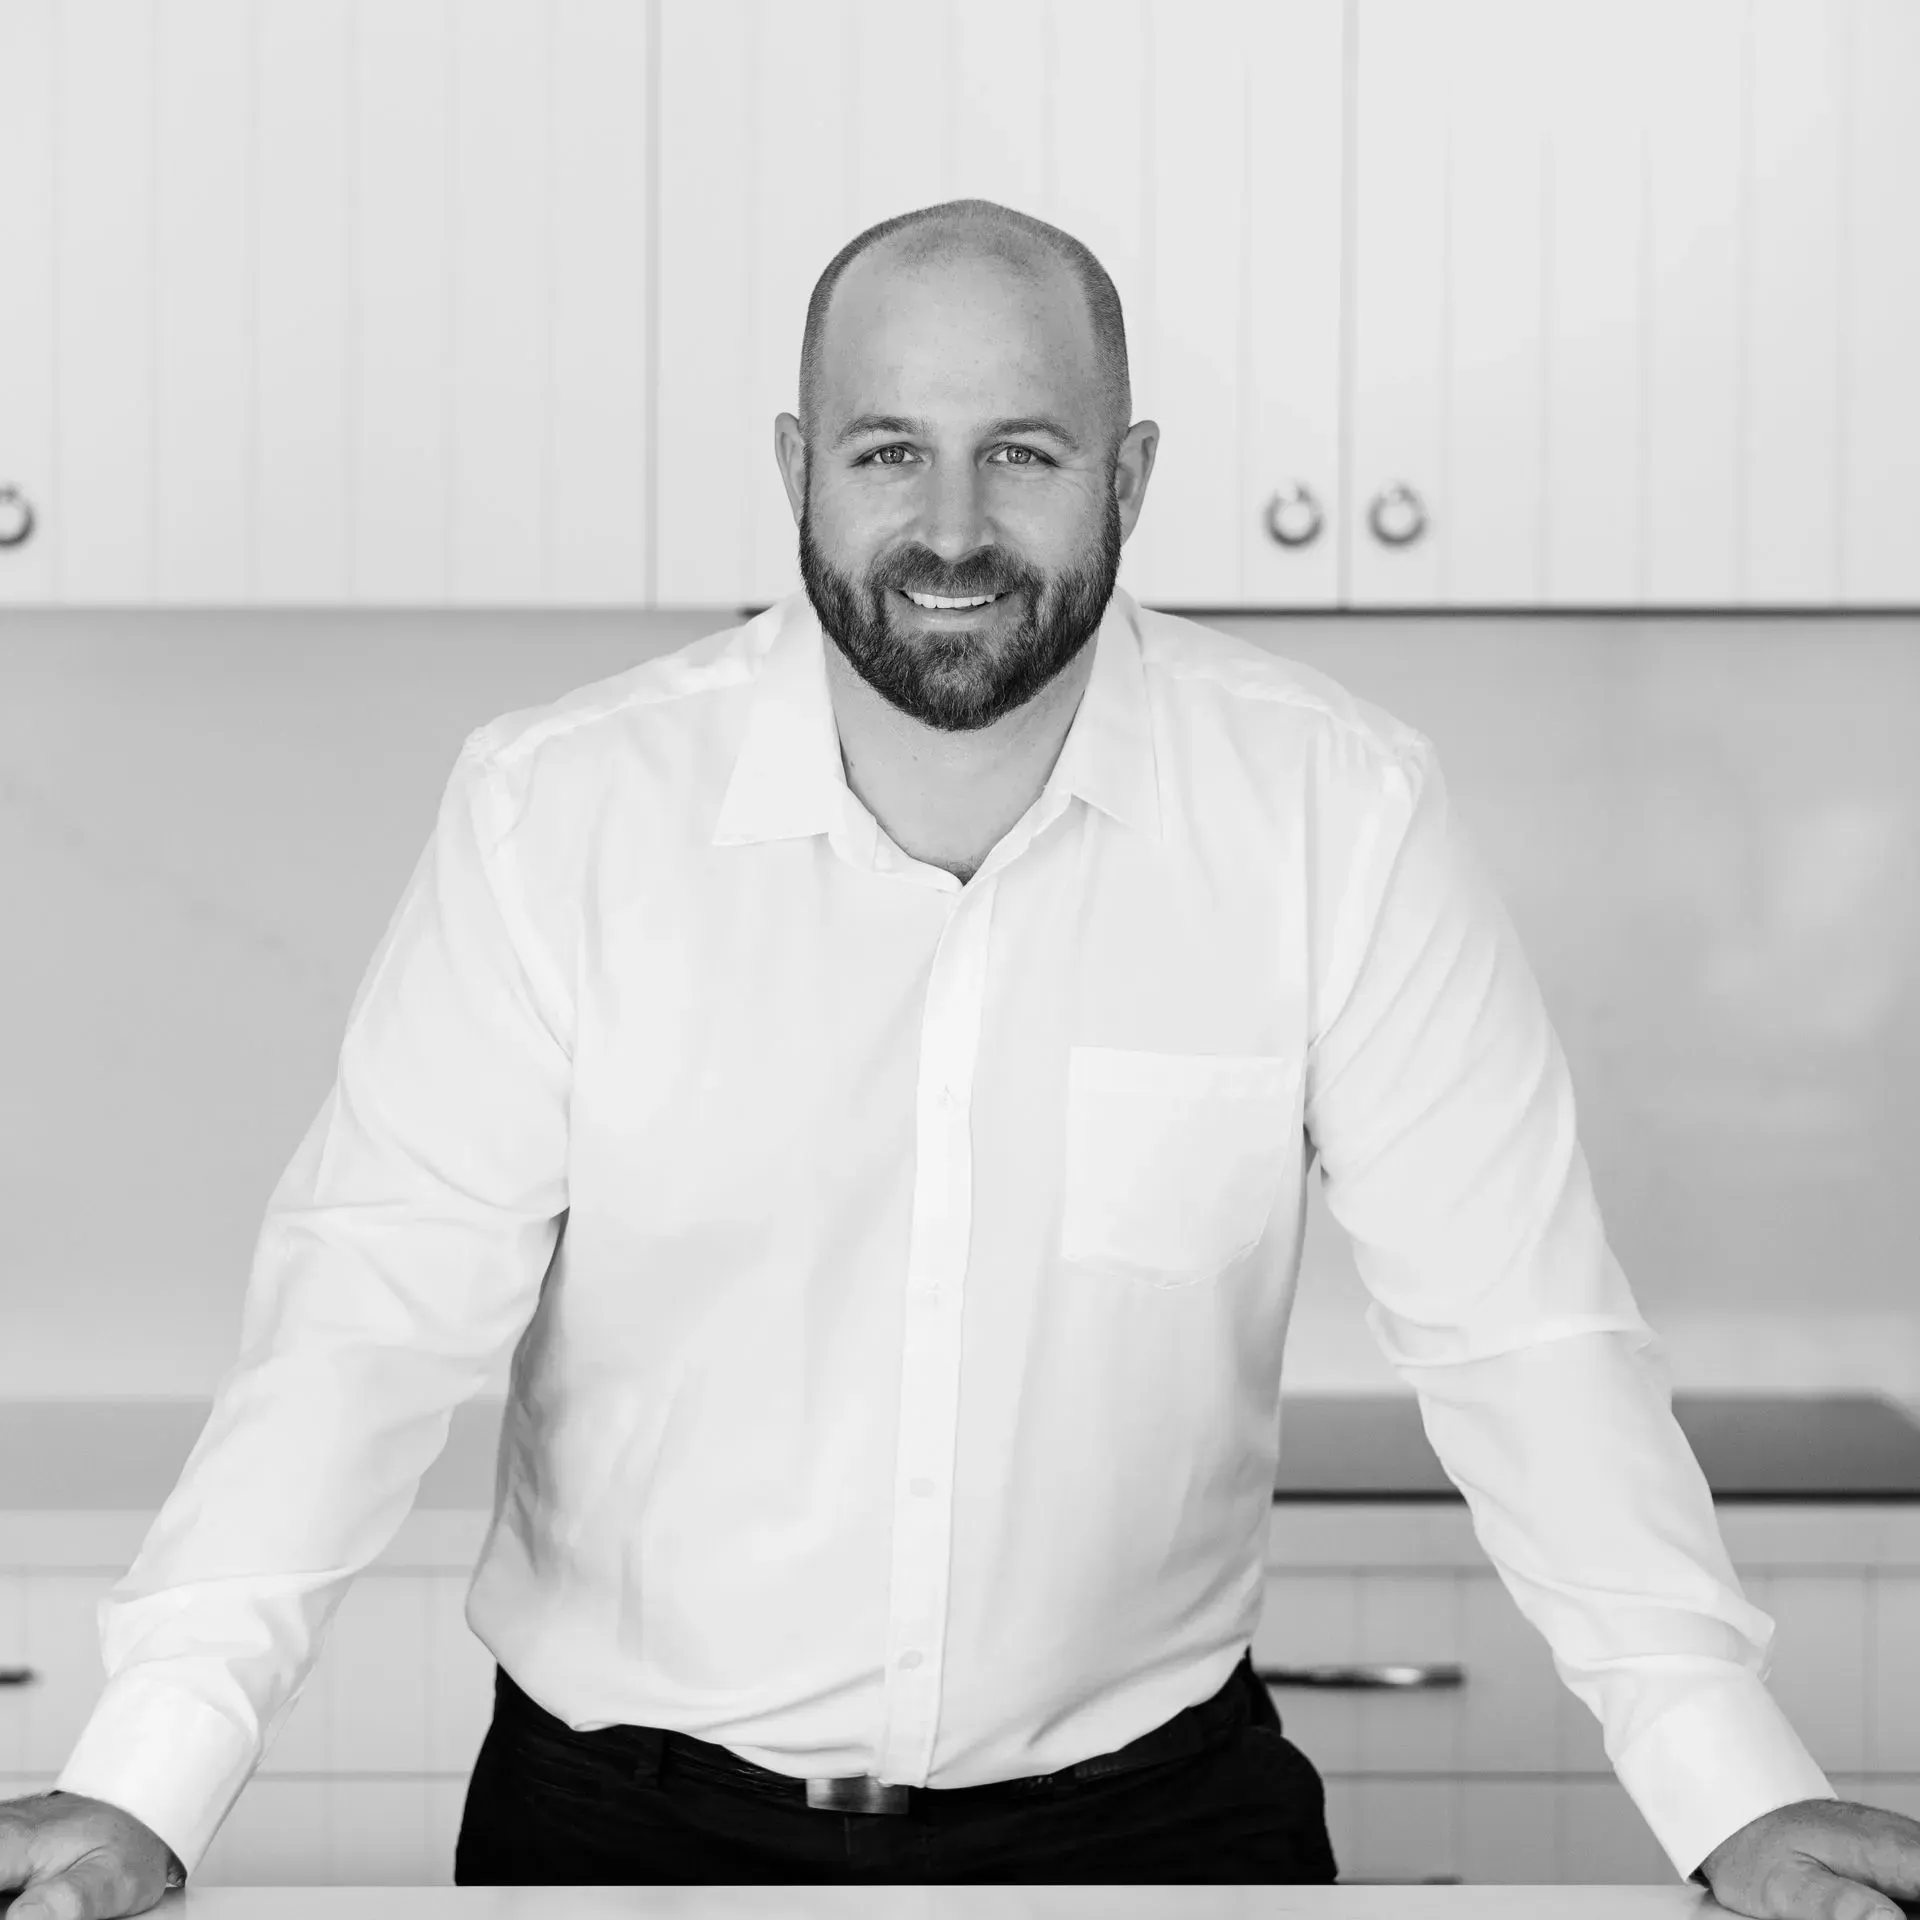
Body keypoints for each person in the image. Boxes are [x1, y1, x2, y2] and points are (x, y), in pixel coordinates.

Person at [5, 196, 1918, 1912]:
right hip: (622, 1834)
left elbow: (1518, 1333)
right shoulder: (557, 816)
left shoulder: (1334, 812)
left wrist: (1725, 1787)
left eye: (1022, 452)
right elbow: (364, 1319)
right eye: (886, 451)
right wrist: (146, 1780)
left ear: (1132, 474)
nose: (947, 528)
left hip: (1151, 1823)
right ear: (797, 469)